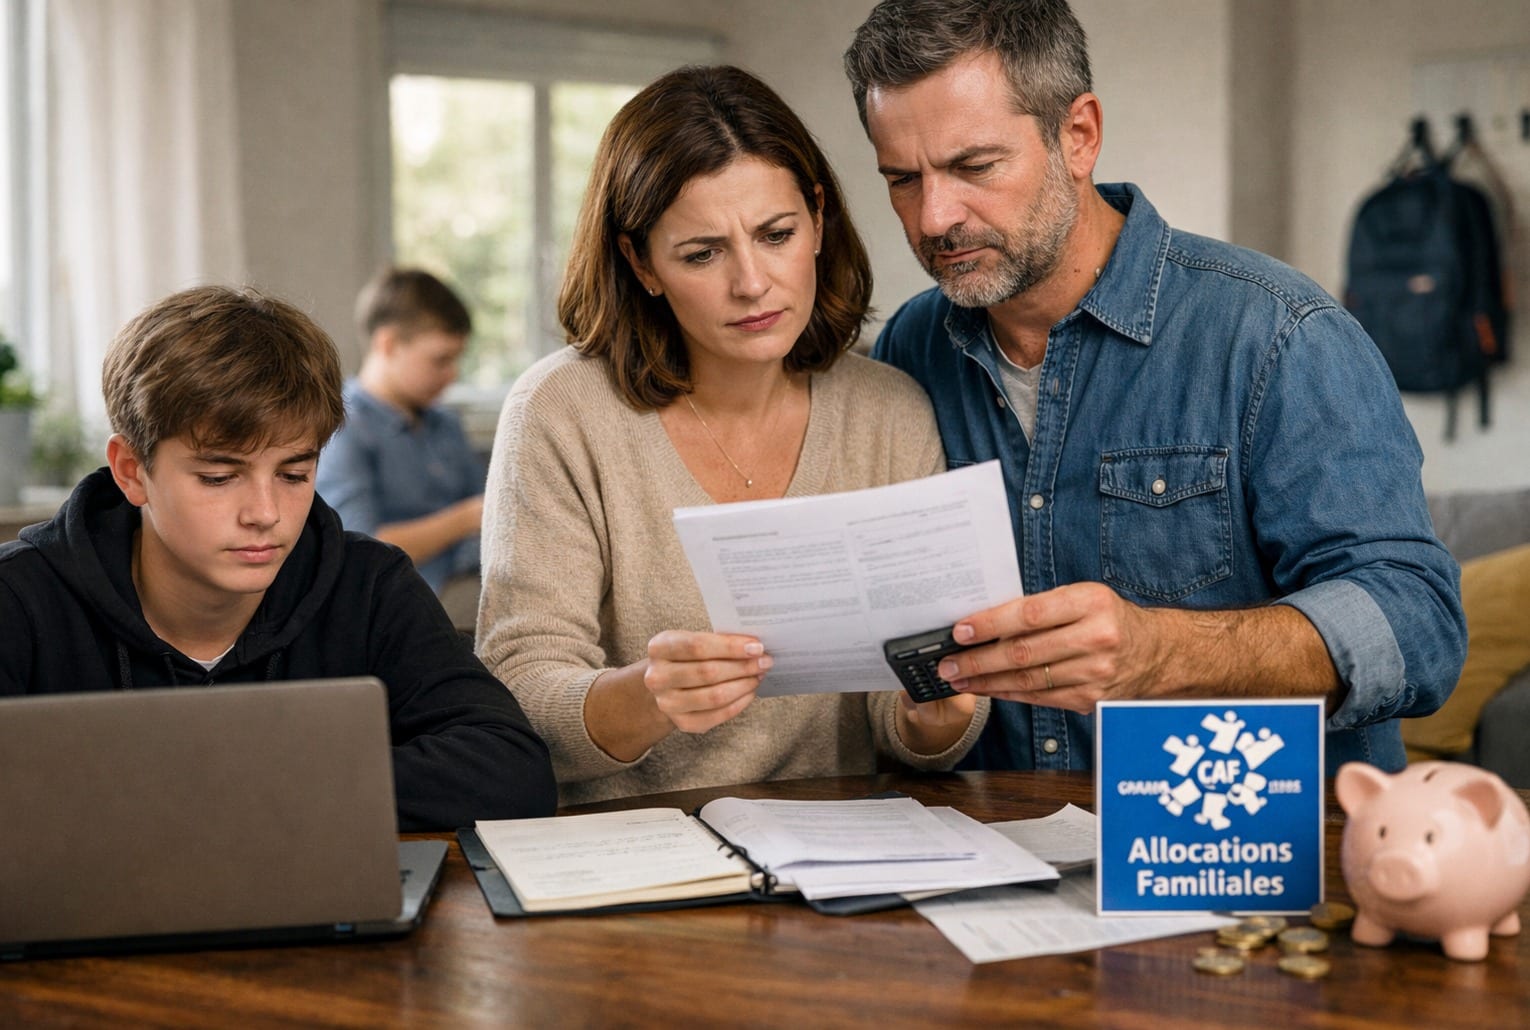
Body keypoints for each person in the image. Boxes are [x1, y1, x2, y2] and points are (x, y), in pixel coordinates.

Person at [842, 0, 1465, 775]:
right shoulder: (911, 345)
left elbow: (1419, 625)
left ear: (1079, 135)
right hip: (998, 837)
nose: (935, 217)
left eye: (974, 167)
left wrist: (1164, 652)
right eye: (903, 179)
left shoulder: (1278, 332)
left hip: (1252, 840)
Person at [476, 64, 988, 806]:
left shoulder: (890, 411)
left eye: (776, 235)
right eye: (702, 253)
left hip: (835, 840)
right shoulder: (560, 411)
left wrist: (937, 714)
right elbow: (518, 690)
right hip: (631, 848)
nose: (751, 283)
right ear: (641, 263)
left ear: (818, 220)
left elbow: (905, 714)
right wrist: (649, 696)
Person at [0, 285, 557, 830]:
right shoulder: (19, 600)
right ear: (131, 471)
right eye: (219, 477)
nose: (266, 513)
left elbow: (512, 771)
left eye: (294, 474)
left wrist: (237, 782)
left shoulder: (370, 585)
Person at [317, 267, 485, 602]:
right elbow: (359, 549)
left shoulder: (446, 424)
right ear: (389, 344)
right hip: (398, 600)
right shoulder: (341, 427)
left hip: (470, 580)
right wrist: (466, 518)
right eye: (440, 360)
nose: (452, 374)